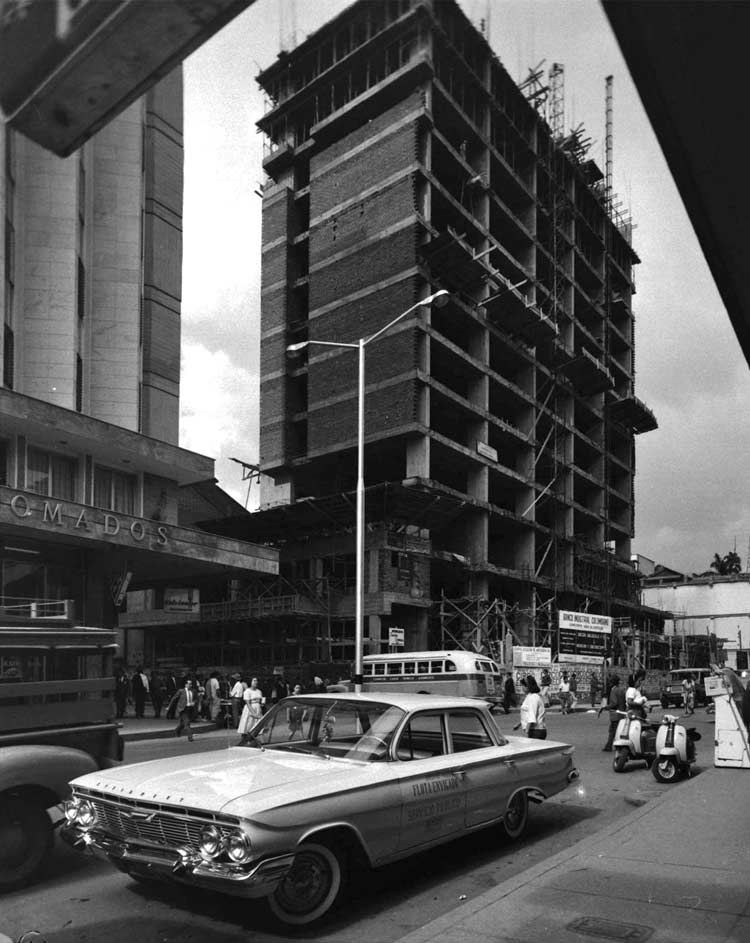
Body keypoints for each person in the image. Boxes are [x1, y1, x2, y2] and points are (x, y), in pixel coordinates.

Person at [602, 674, 626, 751]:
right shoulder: (622, 690)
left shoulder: (613, 690)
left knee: (613, 730)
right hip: (622, 713)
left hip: (615, 713)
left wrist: (606, 707)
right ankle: (608, 745)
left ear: (612, 682)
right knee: (615, 730)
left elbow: (614, 703)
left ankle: (611, 746)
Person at [238, 677, 265, 744]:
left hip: (258, 708)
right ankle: (245, 740)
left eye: (256, 681)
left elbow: (261, 700)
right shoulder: (247, 691)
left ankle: (259, 741)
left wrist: (262, 704)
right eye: (254, 681)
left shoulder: (259, 691)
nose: (255, 682)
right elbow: (248, 703)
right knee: (248, 725)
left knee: (258, 725)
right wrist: (253, 713)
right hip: (250, 709)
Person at [174, 677, 196, 742]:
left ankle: (177, 729)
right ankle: (190, 737)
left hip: (190, 709)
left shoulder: (193, 691)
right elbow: (174, 698)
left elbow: (196, 699)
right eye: (189, 684)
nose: (190, 685)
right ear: (185, 685)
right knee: (187, 722)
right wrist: (169, 707)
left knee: (183, 723)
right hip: (183, 709)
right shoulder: (181, 691)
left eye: (191, 684)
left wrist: (194, 702)